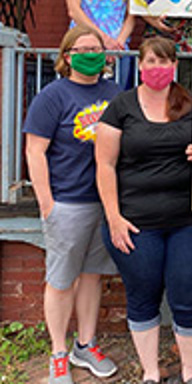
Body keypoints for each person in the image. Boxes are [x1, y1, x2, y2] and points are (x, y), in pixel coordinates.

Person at [95, 37, 192, 384]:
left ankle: (189, 373)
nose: (158, 68)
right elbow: (104, 164)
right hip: (134, 222)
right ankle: (150, 373)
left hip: (189, 221)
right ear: (140, 65)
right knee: (143, 293)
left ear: (175, 65)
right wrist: (113, 218)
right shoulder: (121, 106)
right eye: (151, 61)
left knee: (188, 293)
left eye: (164, 62)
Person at [24, 25, 120, 384]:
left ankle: (85, 344)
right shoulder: (52, 96)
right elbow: (35, 151)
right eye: (82, 48)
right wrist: (47, 202)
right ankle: (58, 354)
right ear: (67, 56)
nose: (90, 53)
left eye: (96, 48)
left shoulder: (114, 93)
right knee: (61, 280)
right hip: (67, 202)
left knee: (93, 275)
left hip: (104, 202)